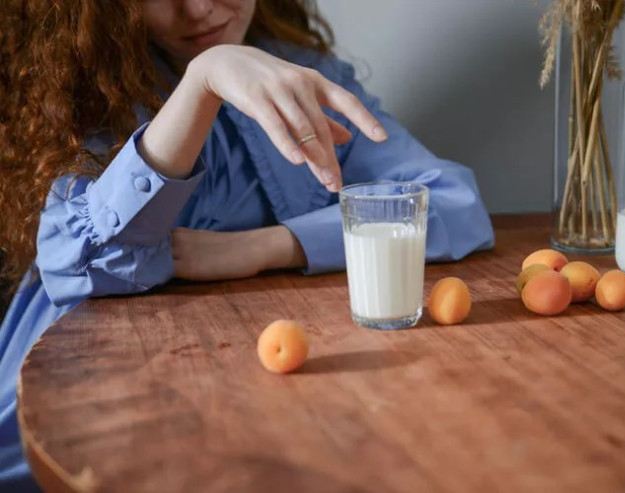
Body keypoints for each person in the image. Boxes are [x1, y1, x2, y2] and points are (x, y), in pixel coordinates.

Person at [0, 0, 494, 489]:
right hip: (70, 410)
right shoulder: (94, 84)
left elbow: (451, 201)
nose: (196, 9)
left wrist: (267, 247)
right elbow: (84, 265)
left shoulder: (303, 74)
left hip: (254, 392)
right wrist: (203, 82)